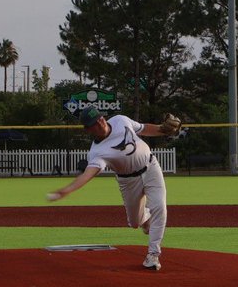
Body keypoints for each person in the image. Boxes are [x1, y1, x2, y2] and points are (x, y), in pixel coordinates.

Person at [47, 106, 175, 271]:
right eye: (95, 122)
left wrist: (163, 130)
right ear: (88, 130)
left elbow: (143, 128)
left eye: (100, 118)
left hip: (151, 168)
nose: (100, 122)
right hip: (128, 181)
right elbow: (88, 175)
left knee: (159, 207)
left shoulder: (120, 120)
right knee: (135, 222)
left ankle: (153, 255)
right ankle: (145, 221)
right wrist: (67, 190)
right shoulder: (98, 152)